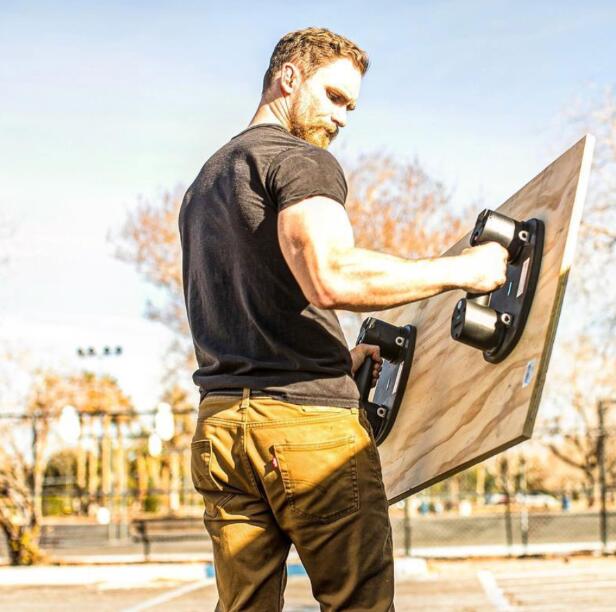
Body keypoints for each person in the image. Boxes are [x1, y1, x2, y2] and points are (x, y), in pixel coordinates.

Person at [179, 27, 508, 612]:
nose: (342, 118)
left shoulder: (205, 183)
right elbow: (329, 277)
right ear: (288, 78)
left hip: (223, 429)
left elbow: (257, 297)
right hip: (305, 432)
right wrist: (462, 271)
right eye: (333, 97)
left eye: (350, 107)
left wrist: (336, 359)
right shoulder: (298, 160)